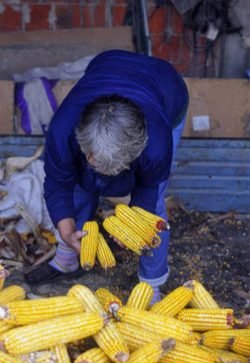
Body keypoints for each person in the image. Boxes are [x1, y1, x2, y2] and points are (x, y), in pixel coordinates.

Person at [25, 49, 188, 304]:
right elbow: (58, 182)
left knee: (154, 210)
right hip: (108, 64)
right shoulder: (62, 130)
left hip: (166, 86)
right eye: (94, 162)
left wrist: (134, 227)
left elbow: (147, 190)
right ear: (84, 146)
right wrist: (64, 225)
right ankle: (68, 256)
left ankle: (152, 285)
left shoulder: (156, 144)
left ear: (136, 153)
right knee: (80, 183)